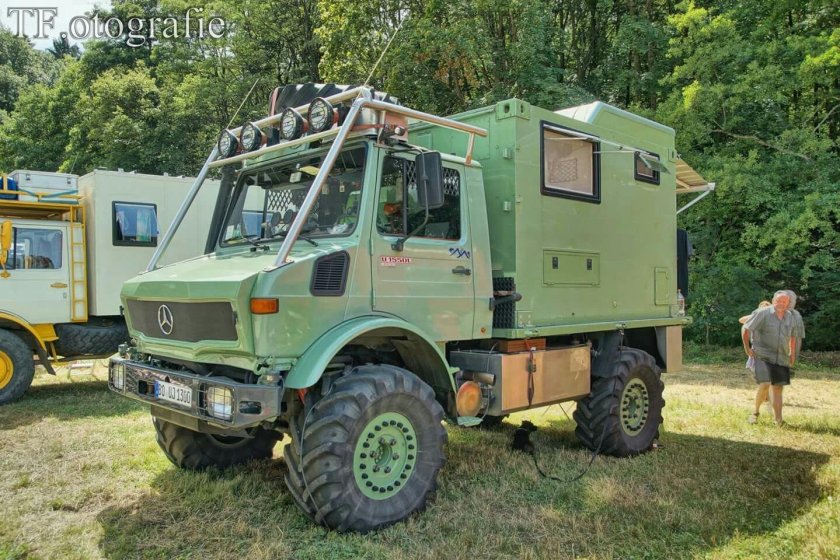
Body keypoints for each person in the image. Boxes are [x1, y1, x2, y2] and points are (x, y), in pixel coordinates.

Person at [742, 291, 796, 427]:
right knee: (765, 383)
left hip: (781, 356)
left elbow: (793, 336)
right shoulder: (762, 313)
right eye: (778, 301)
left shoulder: (790, 316)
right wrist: (747, 348)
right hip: (762, 354)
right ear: (773, 301)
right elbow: (745, 328)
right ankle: (755, 413)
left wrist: (792, 352)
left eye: (784, 301)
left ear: (788, 303)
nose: (781, 304)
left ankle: (778, 420)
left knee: (778, 387)